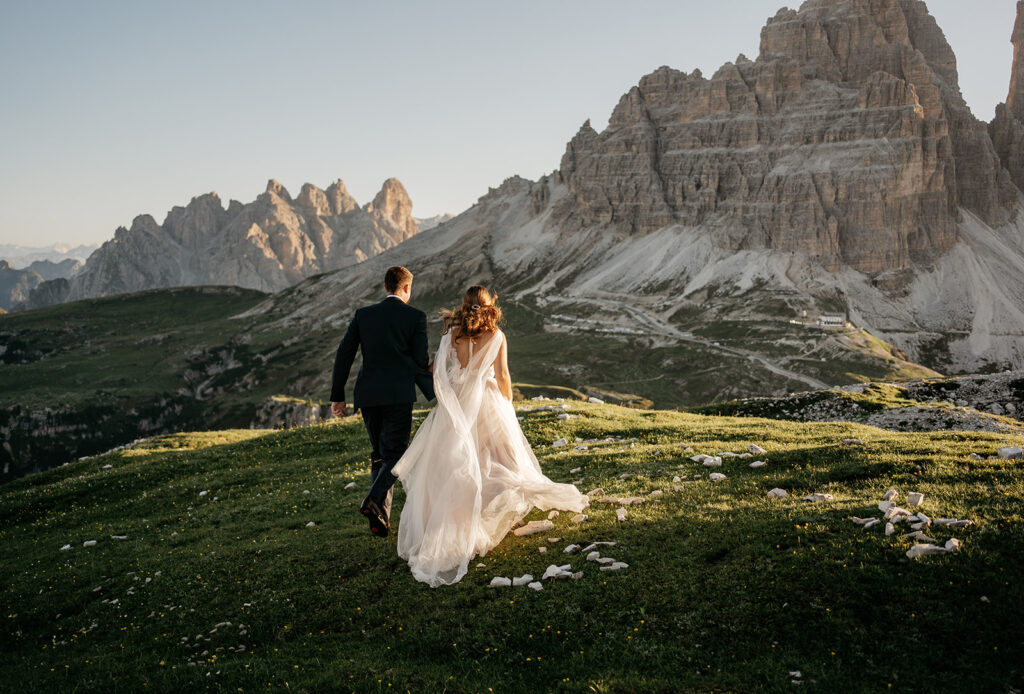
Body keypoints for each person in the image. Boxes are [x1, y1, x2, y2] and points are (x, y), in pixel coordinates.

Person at [391, 285, 589, 587]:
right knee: (498, 458)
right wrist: (506, 406)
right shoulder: (496, 336)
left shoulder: (452, 334)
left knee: (453, 462)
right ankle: (489, 514)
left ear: (463, 306)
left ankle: (453, 520)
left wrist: (446, 400)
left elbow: (438, 373)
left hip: (456, 404)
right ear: (489, 307)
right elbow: (503, 374)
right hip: (486, 402)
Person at [330, 265, 435, 537]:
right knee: (396, 454)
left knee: (380, 455)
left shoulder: (364, 315)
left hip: (368, 395)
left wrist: (337, 396)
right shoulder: (415, 317)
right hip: (398, 395)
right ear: (407, 288)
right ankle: (373, 499)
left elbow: (344, 355)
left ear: (386, 287)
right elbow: (422, 361)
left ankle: (380, 519)